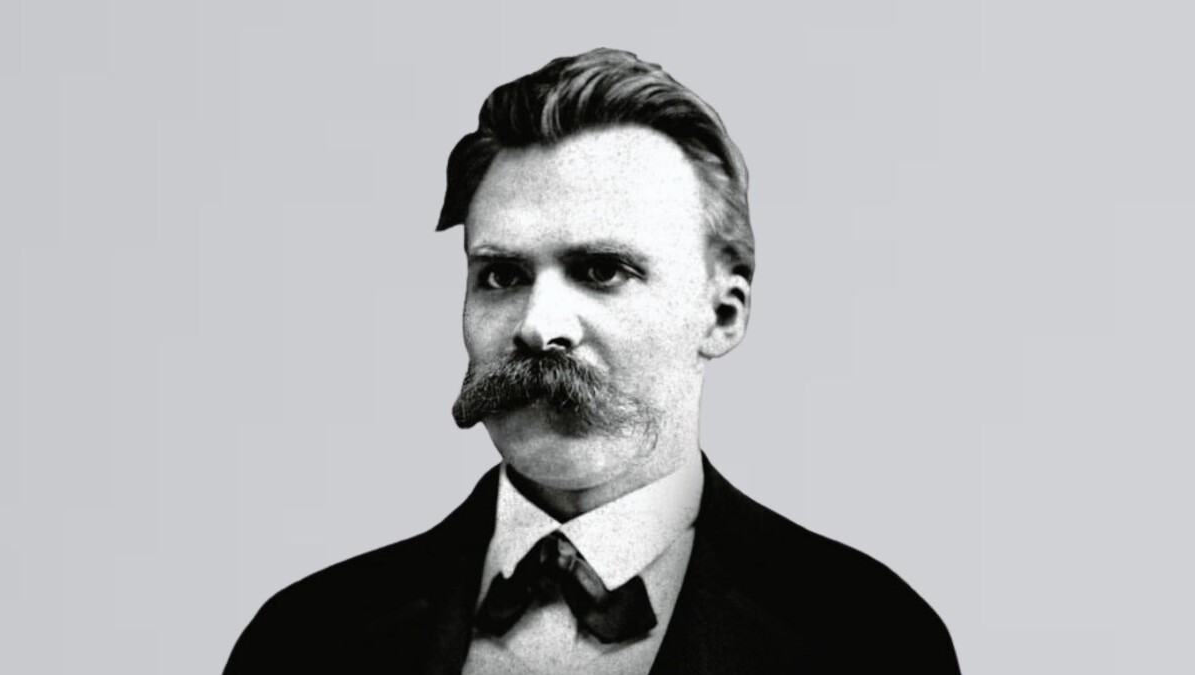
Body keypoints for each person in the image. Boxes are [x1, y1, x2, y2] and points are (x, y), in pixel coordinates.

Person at [224, 48, 961, 674]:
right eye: (501, 275)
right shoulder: (306, 639)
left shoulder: (868, 640)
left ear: (722, 313)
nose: (537, 326)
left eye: (602, 270)